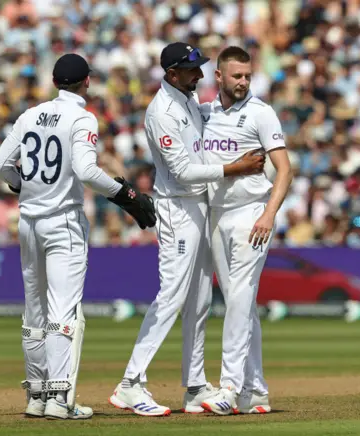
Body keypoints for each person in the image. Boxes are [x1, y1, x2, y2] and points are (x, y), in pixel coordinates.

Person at [0, 53, 156, 420]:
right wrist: (127, 196)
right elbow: (86, 170)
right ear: (87, 82)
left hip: (29, 223)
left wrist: (23, 188)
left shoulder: (30, 115)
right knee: (62, 313)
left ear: (53, 81)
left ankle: (36, 396)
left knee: (34, 312)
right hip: (62, 222)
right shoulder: (82, 117)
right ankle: (59, 399)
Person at [108, 42, 266, 416]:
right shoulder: (161, 112)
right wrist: (233, 169)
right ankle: (130, 383)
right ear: (172, 73)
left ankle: (195, 385)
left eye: (199, 67)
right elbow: (181, 171)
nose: (199, 75)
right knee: (173, 295)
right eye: (192, 69)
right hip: (178, 208)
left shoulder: (188, 101)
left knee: (199, 300)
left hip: (200, 208)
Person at [198, 46, 293, 415]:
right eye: (236, 76)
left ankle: (229, 387)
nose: (242, 82)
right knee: (244, 304)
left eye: (247, 76)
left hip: (252, 213)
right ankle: (257, 391)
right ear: (218, 77)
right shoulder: (203, 113)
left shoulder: (261, 113)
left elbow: (284, 170)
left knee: (238, 298)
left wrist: (269, 214)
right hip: (217, 215)